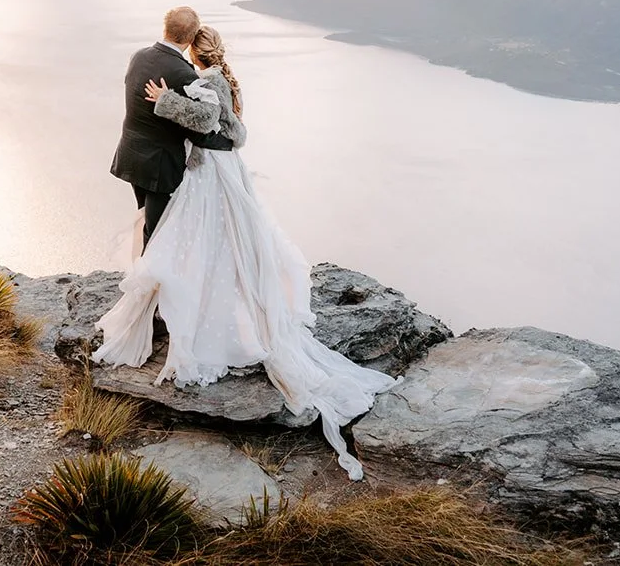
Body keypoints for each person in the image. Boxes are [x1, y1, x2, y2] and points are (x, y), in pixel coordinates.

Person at [95, 24, 397, 480]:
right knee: (208, 243)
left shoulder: (209, 80)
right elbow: (226, 128)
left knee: (211, 243)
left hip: (214, 172)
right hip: (212, 169)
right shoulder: (215, 76)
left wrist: (165, 101)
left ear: (193, 52)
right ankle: (183, 300)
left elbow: (219, 129)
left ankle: (195, 309)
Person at [109, 6, 233, 250]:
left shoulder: (138, 56)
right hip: (159, 166)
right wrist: (226, 143)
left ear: (165, 28)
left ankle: (143, 278)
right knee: (157, 232)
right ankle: (149, 285)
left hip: (133, 156)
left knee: (145, 220)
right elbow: (206, 122)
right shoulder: (184, 74)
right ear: (190, 38)